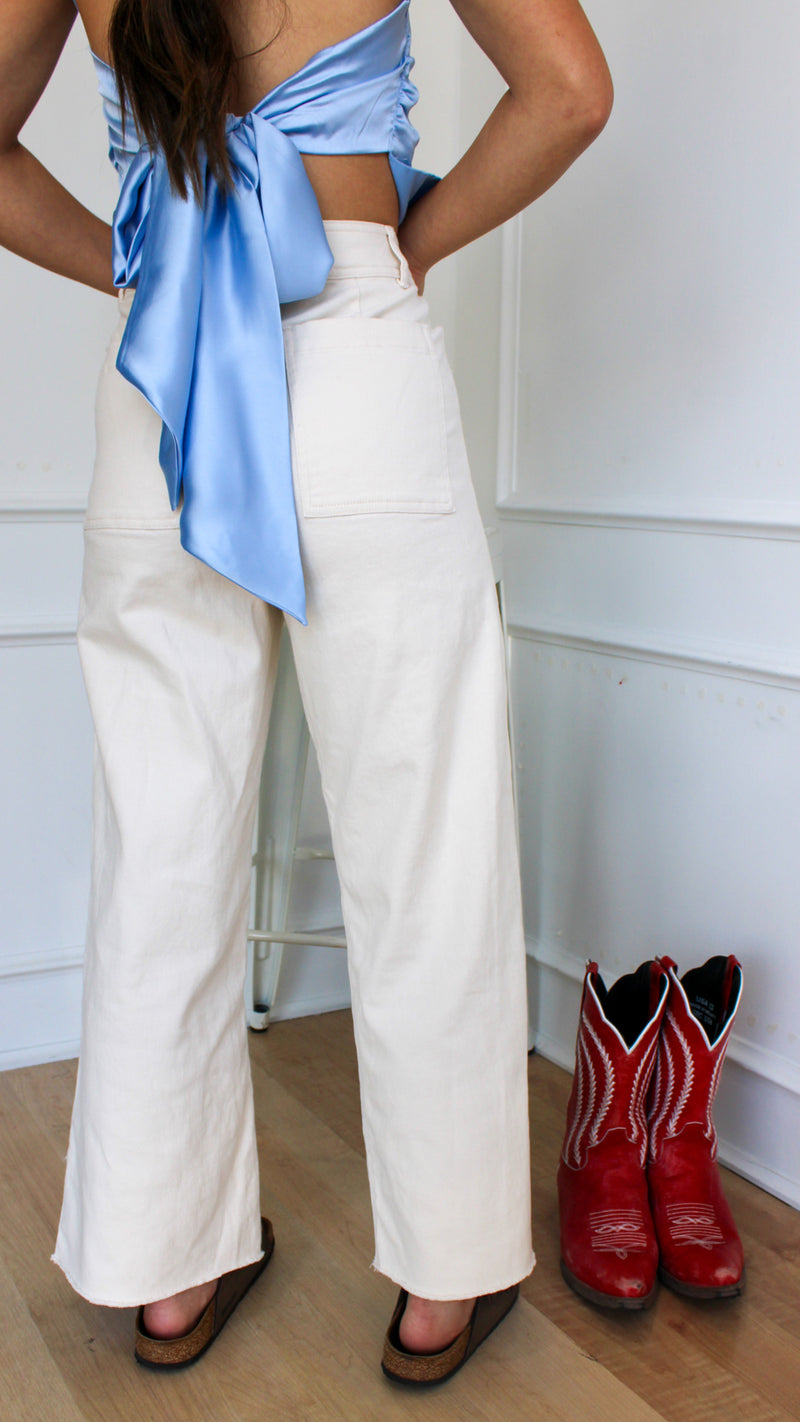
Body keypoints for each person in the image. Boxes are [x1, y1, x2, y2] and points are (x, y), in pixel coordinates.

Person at [0, 0, 612, 1387]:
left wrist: (138, 265)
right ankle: (444, 1282)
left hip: (162, 370)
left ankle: (165, 1270)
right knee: (424, 837)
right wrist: (408, 243)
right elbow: (571, 91)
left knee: (161, 838)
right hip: (353, 345)